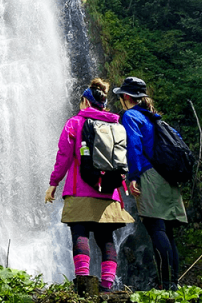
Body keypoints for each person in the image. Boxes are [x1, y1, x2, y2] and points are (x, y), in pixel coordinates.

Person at [45, 78, 134, 292]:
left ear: (85, 101)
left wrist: (53, 183)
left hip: (80, 190)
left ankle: (84, 283)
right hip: (109, 191)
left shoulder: (75, 123)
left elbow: (64, 155)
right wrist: (122, 185)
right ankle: (106, 286)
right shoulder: (115, 125)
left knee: (80, 233)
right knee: (106, 239)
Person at [114, 76, 187, 291]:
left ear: (126, 96)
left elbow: (134, 145)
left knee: (155, 228)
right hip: (168, 177)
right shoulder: (156, 119)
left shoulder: (131, 116)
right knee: (167, 232)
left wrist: (133, 176)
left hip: (149, 175)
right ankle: (173, 283)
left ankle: (166, 285)